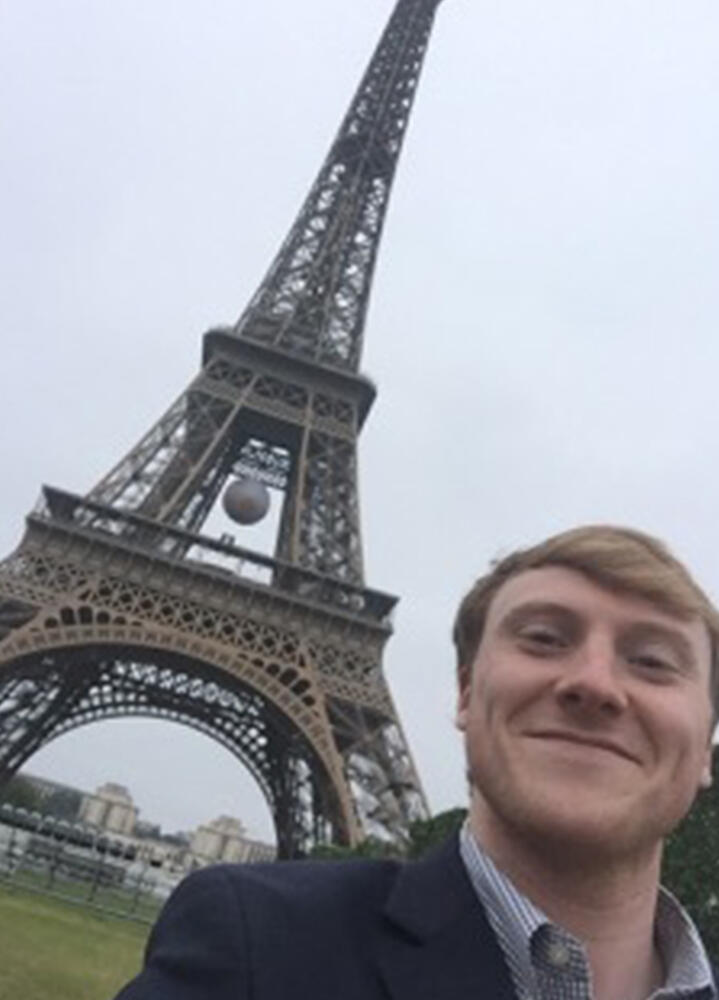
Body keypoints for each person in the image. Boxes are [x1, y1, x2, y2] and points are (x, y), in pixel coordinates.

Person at [115, 525, 718, 1000]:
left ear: (707, 746)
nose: (594, 683)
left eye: (653, 661)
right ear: (464, 692)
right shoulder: (258, 942)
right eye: (543, 638)